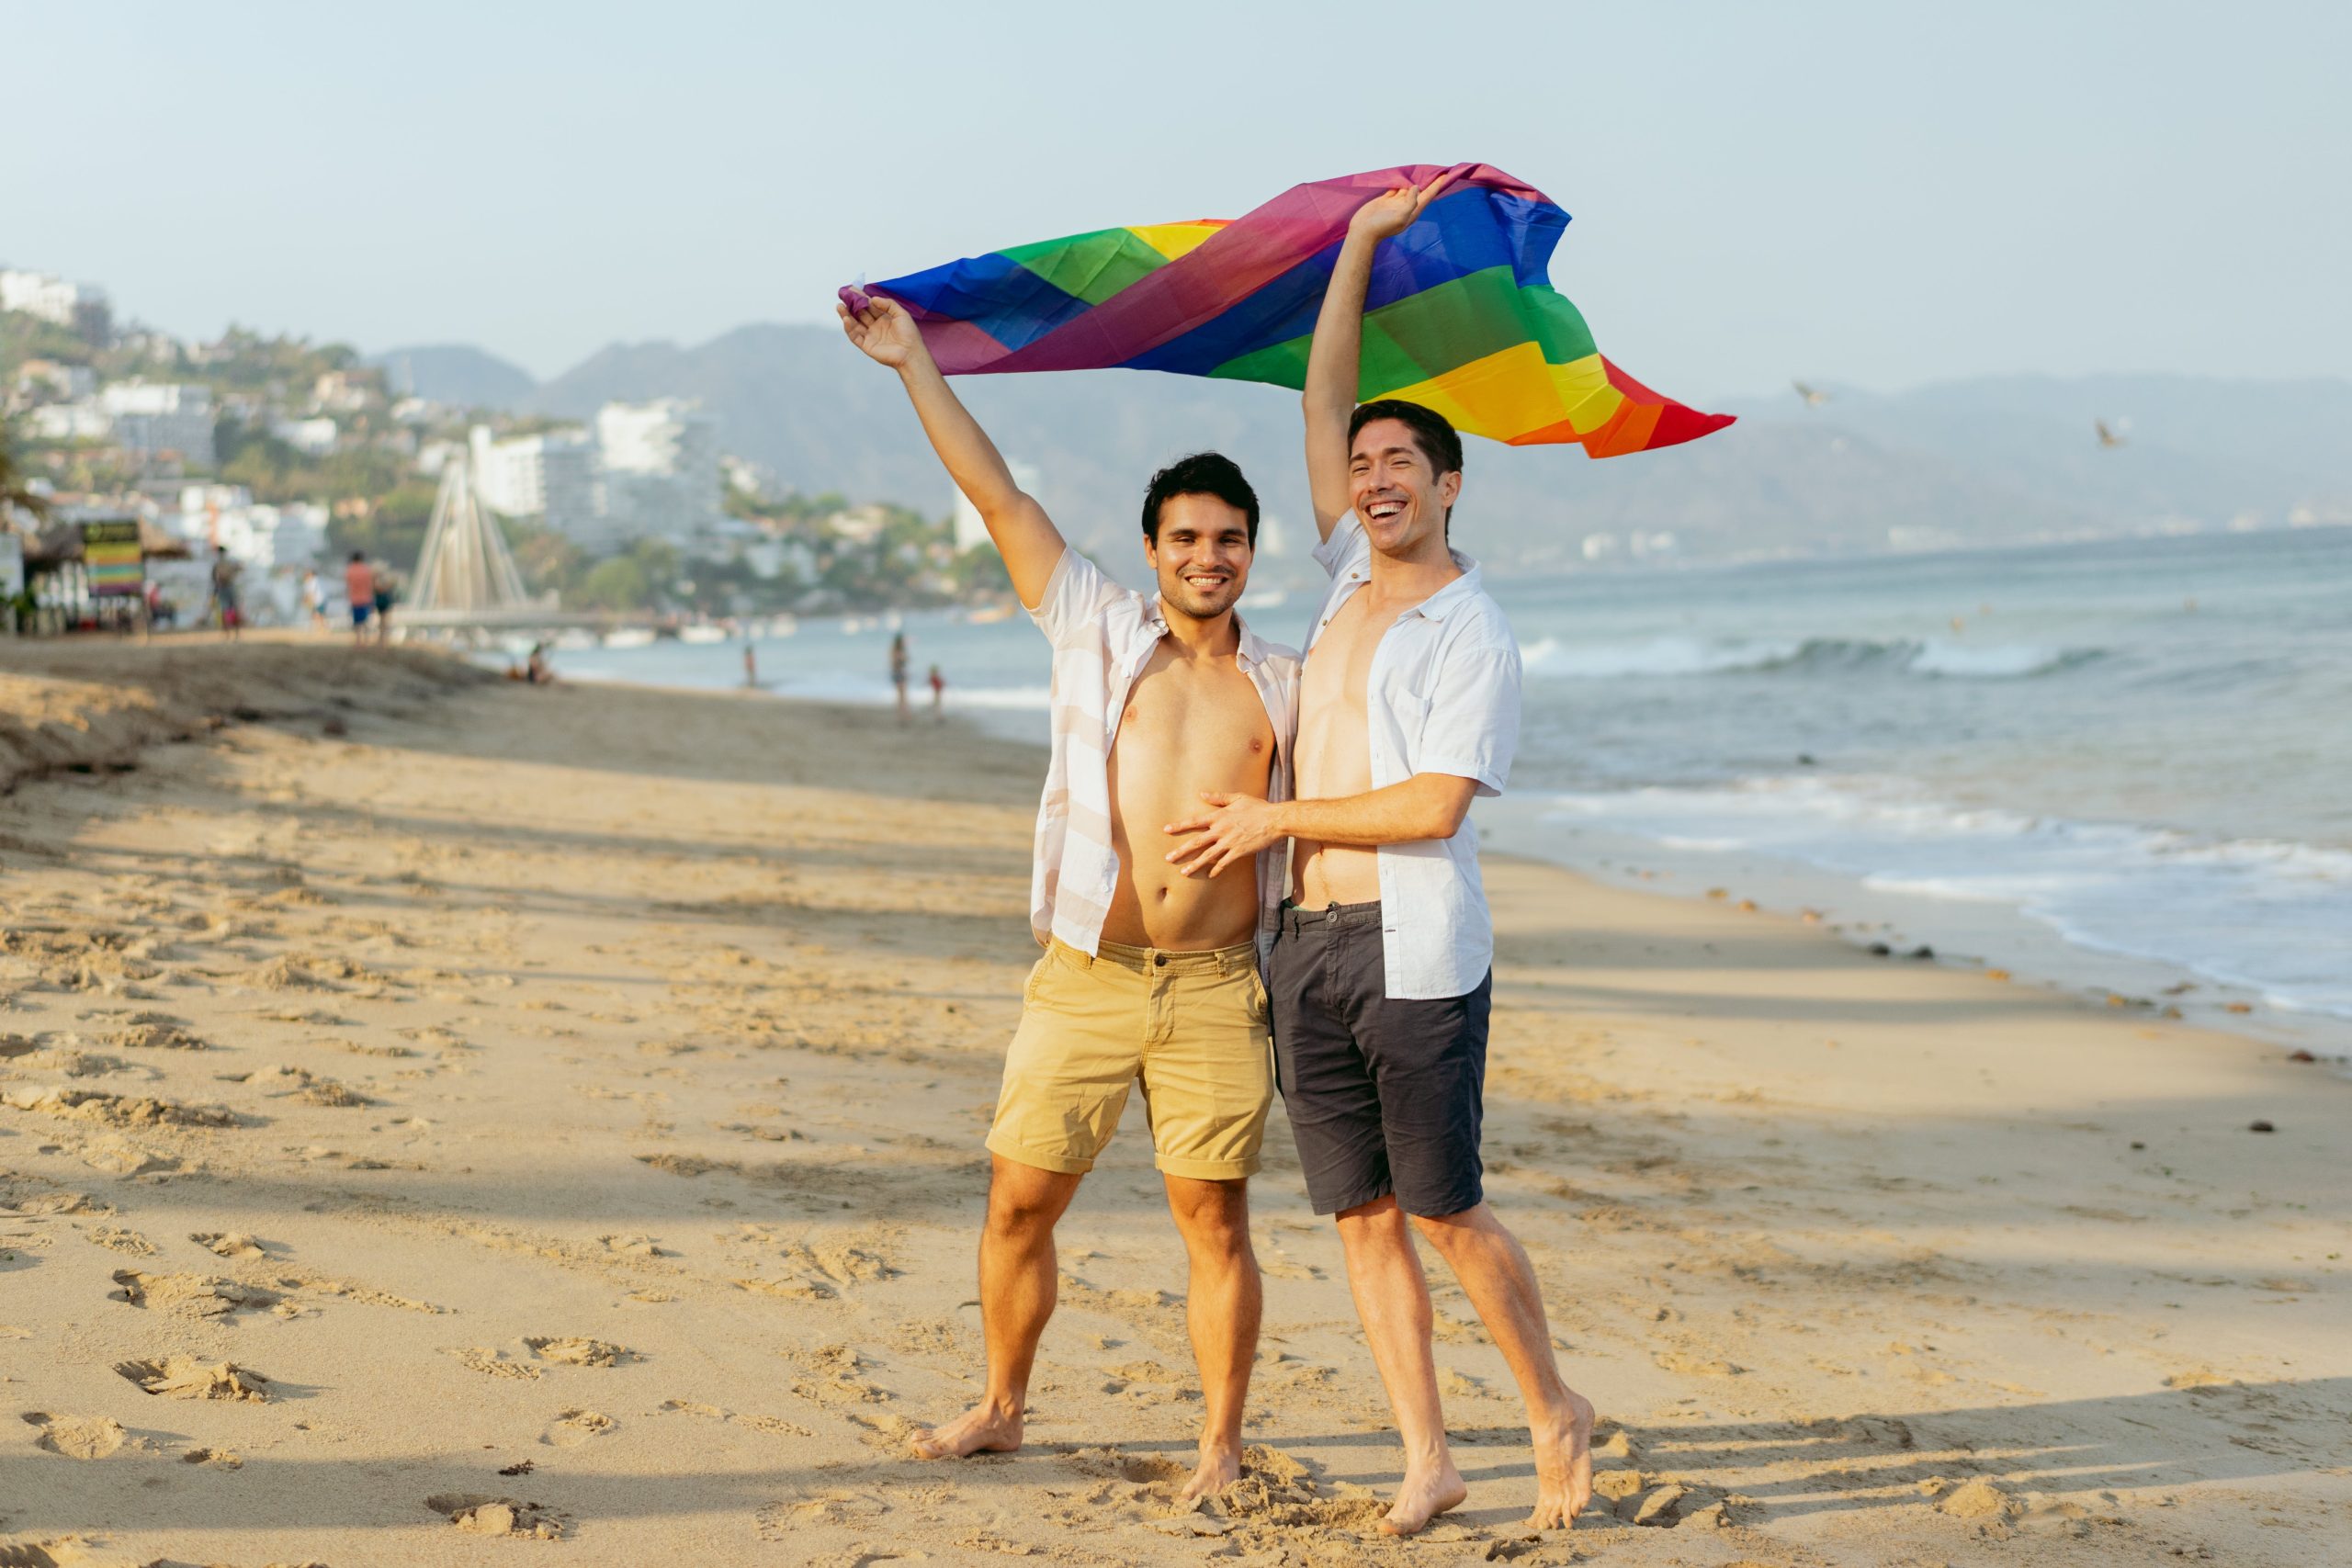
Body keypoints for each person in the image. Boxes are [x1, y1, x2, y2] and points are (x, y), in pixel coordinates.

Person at [1161, 176, 1596, 1536]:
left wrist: (1275, 821)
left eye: (1400, 463)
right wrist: (1353, 242)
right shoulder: (1346, 571)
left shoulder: (1475, 629)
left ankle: (1553, 1411)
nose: (1372, 477)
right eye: (1363, 466)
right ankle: (1429, 1455)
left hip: (1414, 947)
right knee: (1358, 1217)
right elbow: (1320, 393)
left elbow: (1432, 807)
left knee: (1449, 1205)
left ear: (1448, 486)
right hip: (1311, 945)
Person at [840, 289, 1299, 1504]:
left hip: (1213, 988)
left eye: (1230, 539)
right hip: (1085, 975)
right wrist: (910, 365)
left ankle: (1220, 1439)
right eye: (1187, 537)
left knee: (1214, 1220)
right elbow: (998, 493)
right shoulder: (1092, 626)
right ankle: (999, 1401)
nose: (1209, 556)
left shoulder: (1290, 686)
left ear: (1254, 551)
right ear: (1152, 550)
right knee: (1017, 1200)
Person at [209, 552, 242, 640]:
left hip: (227, 588)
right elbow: (214, 577)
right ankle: (229, 633)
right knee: (226, 611)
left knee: (231, 611)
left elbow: (214, 577)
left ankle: (233, 633)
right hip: (224, 588)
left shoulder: (223, 564)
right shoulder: (221, 564)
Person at [345, 551, 375, 643]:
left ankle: (358, 640)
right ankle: (366, 639)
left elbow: (348, 584)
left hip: (354, 599)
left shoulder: (350, 570)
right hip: (366, 598)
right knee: (365, 620)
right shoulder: (366, 569)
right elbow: (370, 585)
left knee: (357, 621)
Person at [889, 630, 910, 722]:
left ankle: (902, 713)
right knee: (902, 695)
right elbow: (898, 662)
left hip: (898, 672)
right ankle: (902, 714)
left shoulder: (894, 650)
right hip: (899, 673)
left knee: (901, 695)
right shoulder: (896, 651)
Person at [372, 570, 397, 645]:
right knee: (383, 621)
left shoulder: (379, 581)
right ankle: (382, 639)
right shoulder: (383, 581)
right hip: (383, 603)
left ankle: (383, 639)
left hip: (383, 603)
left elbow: (377, 589)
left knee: (383, 621)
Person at [302, 567, 328, 633]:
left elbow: (311, 593)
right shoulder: (317, 580)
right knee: (319, 615)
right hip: (321, 599)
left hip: (318, 600)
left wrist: (308, 601)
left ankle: (320, 628)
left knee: (317, 615)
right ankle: (322, 628)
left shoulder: (313, 581)